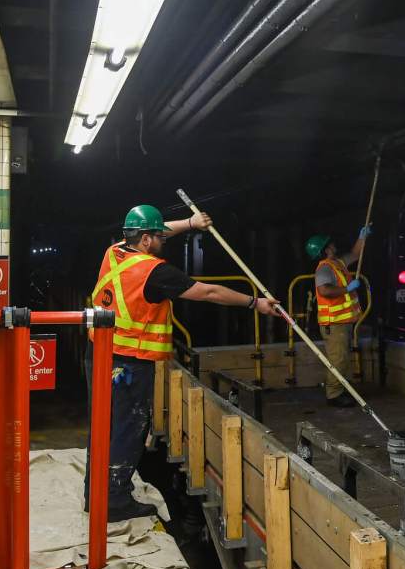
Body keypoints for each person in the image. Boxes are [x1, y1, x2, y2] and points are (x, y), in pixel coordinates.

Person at [86, 204, 280, 521]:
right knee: (128, 429)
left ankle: (94, 494)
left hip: (97, 352)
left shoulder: (115, 252)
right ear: (146, 240)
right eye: (159, 236)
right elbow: (209, 292)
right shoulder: (155, 272)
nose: (164, 239)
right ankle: (114, 502)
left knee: (102, 426)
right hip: (128, 363)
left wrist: (190, 223)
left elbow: (159, 229)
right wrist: (254, 302)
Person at [305, 227, 370, 407]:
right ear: (326, 249)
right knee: (338, 359)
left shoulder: (338, 263)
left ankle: (340, 390)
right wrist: (347, 289)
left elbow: (355, 254)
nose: (333, 245)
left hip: (341, 322)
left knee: (342, 358)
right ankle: (333, 395)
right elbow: (324, 290)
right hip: (334, 323)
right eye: (330, 244)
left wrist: (362, 237)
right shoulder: (325, 269)